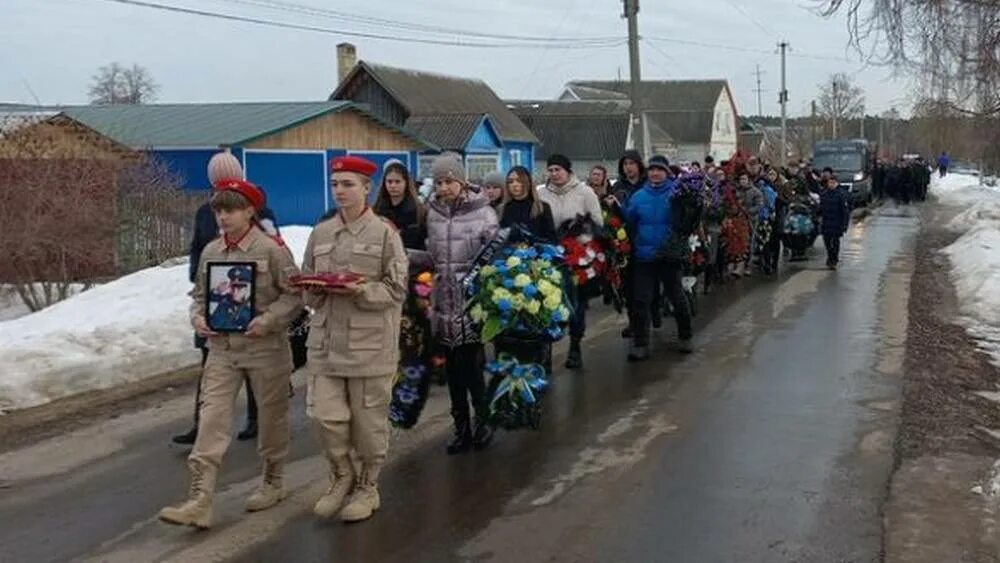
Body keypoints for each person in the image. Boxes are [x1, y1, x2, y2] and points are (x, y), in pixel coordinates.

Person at [159, 178, 302, 529]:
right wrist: (198, 317)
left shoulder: (272, 250)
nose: (223, 217)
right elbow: (199, 295)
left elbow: (295, 295)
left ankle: (272, 480)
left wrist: (267, 321)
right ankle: (200, 498)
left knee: (271, 419)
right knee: (211, 419)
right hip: (222, 349)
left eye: (231, 210)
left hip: (265, 348)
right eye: (219, 210)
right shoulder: (211, 252)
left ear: (249, 212)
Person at [301, 155, 408, 523]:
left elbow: (396, 291)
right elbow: (308, 286)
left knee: (368, 425)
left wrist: (359, 289)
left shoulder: (384, 234)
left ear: (366, 188)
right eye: (335, 185)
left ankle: (367, 486)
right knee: (324, 417)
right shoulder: (321, 233)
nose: (340, 192)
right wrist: (312, 289)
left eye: (348, 185)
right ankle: (341, 476)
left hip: (369, 347)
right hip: (327, 344)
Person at [173, 152, 273, 446]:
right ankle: (202, 424)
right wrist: (199, 275)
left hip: (247, 298)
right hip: (217, 298)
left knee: (252, 363)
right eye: (217, 185)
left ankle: (257, 418)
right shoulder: (206, 212)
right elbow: (197, 247)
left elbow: (271, 247)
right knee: (211, 364)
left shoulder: (258, 209)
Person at [421, 153, 499, 454]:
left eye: (449, 181)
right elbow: (433, 256)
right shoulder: (433, 214)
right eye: (438, 182)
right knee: (452, 371)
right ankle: (460, 428)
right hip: (443, 302)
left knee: (472, 367)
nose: (443, 187)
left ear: (461, 180)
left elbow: (494, 256)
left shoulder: (484, 213)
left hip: (470, 302)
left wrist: (479, 284)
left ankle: (483, 422)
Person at [537, 154, 603, 370]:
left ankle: (575, 345)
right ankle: (545, 351)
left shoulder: (584, 192)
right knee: (546, 302)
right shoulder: (540, 194)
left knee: (577, 304)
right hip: (550, 254)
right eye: (551, 170)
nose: (554, 174)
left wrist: (582, 233)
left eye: (558, 170)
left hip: (577, 256)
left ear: (568, 171)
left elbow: (598, 222)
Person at [625, 155, 694, 361]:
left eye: (660, 170)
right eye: (652, 170)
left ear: (667, 172)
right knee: (641, 301)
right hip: (644, 256)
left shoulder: (678, 194)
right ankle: (640, 343)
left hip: (669, 255)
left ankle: (685, 336)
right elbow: (630, 222)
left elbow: (686, 221)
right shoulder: (638, 197)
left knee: (676, 296)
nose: (655, 173)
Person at [373, 160, 426, 250]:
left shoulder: (417, 210)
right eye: (389, 182)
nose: (393, 186)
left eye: (397, 182)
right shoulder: (377, 209)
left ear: (406, 183)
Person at [499, 165, 557, 242]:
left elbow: (551, 238)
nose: (514, 184)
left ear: (527, 182)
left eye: (519, 181)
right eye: (510, 181)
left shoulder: (541, 207)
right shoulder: (504, 208)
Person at [819, 175, 851, 270]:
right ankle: (830, 255)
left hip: (837, 223)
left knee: (835, 241)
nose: (831, 184)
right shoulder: (824, 194)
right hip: (826, 222)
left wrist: (844, 225)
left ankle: (834, 259)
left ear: (837, 183)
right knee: (827, 241)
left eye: (833, 183)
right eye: (830, 182)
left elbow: (845, 212)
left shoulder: (841, 195)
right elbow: (821, 208)